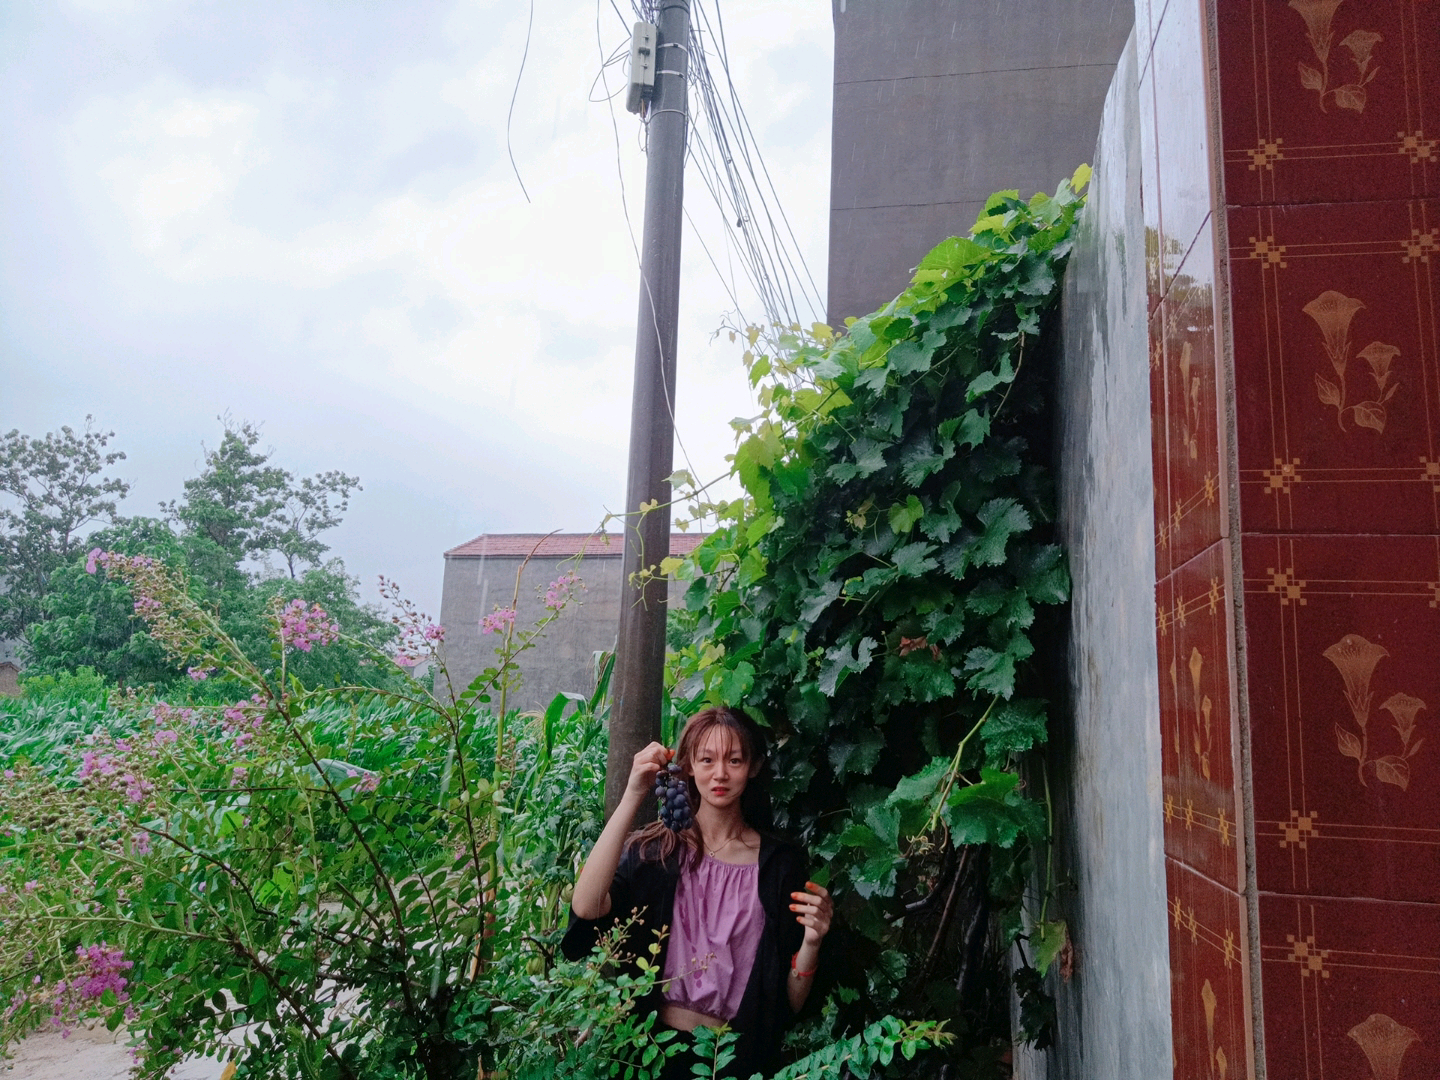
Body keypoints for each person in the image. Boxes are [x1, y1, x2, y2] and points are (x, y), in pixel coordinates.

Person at [562, 706, 833, 1079]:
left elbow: (788, 1004)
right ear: (688, 765)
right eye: (707, 760)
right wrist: (633, 794)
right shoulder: (657, 852)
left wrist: (812, 942)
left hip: (735, 1062)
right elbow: (587, 907)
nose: (720, 773)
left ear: (753, 766)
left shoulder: (779, 868)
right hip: (650, 1054)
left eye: (734, 760)